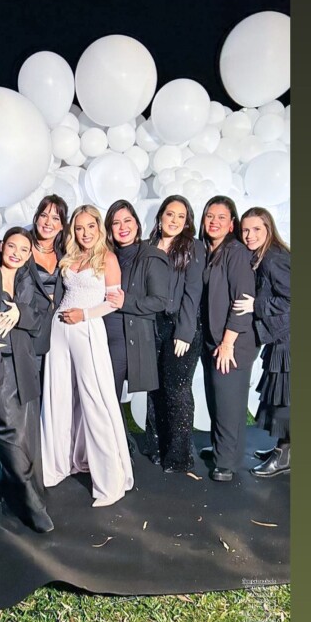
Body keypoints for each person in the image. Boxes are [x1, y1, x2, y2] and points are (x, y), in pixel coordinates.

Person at [41, 205, 134, 507]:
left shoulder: (107, 258)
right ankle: (57, 465)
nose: (84, 233)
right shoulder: (69, 257)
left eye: (90, 227)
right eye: (79, 228)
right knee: (59, 397)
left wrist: (84, 315)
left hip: (87, 328)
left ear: (99, 227)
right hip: (59, 330)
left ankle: (110, 481)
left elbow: (114, 302)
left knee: (95, 400)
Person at [0, 227, 54, 533]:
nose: (17, 253)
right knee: (8, 431)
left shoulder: (28, 278)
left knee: (27, 432)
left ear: (30, 254)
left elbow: (43, 314)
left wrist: (21, 313)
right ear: (2, 245)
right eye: (12, 246)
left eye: (24, 249)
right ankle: (30, 503)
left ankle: (9, 486)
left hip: (23, 364)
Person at [199, 196, 259, 482]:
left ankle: (225, 463)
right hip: (215, 340)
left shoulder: (236, 252)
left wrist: (227, 343)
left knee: (228, 403)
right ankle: (225, 452)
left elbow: (242, 300)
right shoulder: (212, 251)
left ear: (232, 223)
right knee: (219, 400)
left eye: (221, 217)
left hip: (233, 342)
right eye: (210, 215)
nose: (214, 221)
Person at [103, 200, 171, 454]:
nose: (122, 227)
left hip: (124, 339)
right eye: (116, 222)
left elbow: (160, 301)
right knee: (101, 396)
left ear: (137, 224)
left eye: (127, 221)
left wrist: (126, 301)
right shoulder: (104, 256)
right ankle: (117, 445)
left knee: (108, 395)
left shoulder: (153, 256)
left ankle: (123, 448)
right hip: (99, 334)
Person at [143, 195, 205, 472]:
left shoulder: (193, 247)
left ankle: (180, 456)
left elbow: (193, 293)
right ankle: (157, 447)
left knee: (178, 390)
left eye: (182, 216)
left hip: (181, 325)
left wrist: (185, 332)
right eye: (170, 214)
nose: (175, 221)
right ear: (160, 216)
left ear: (187, 221)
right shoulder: (146, 247)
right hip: (151, 325)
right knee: (154, 389)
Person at [234, 208, 291, 478]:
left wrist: (257, 304)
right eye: (245, 230)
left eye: (256, 229)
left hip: (288, 341)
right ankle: (283, 449)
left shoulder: (273, 258)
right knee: (279, 398)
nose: (249, 235)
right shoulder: (263, 256)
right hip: (280, 338)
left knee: (284, 402)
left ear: (268, 229)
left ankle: (285, 455)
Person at [28, 194, 69, 385]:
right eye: (44, 215)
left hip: (59, 332)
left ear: (62, 225)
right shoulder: (22, 247)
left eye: (56, 218)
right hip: (28, 331)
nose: (48, 222)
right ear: (36, 218)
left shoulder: (66, 253)